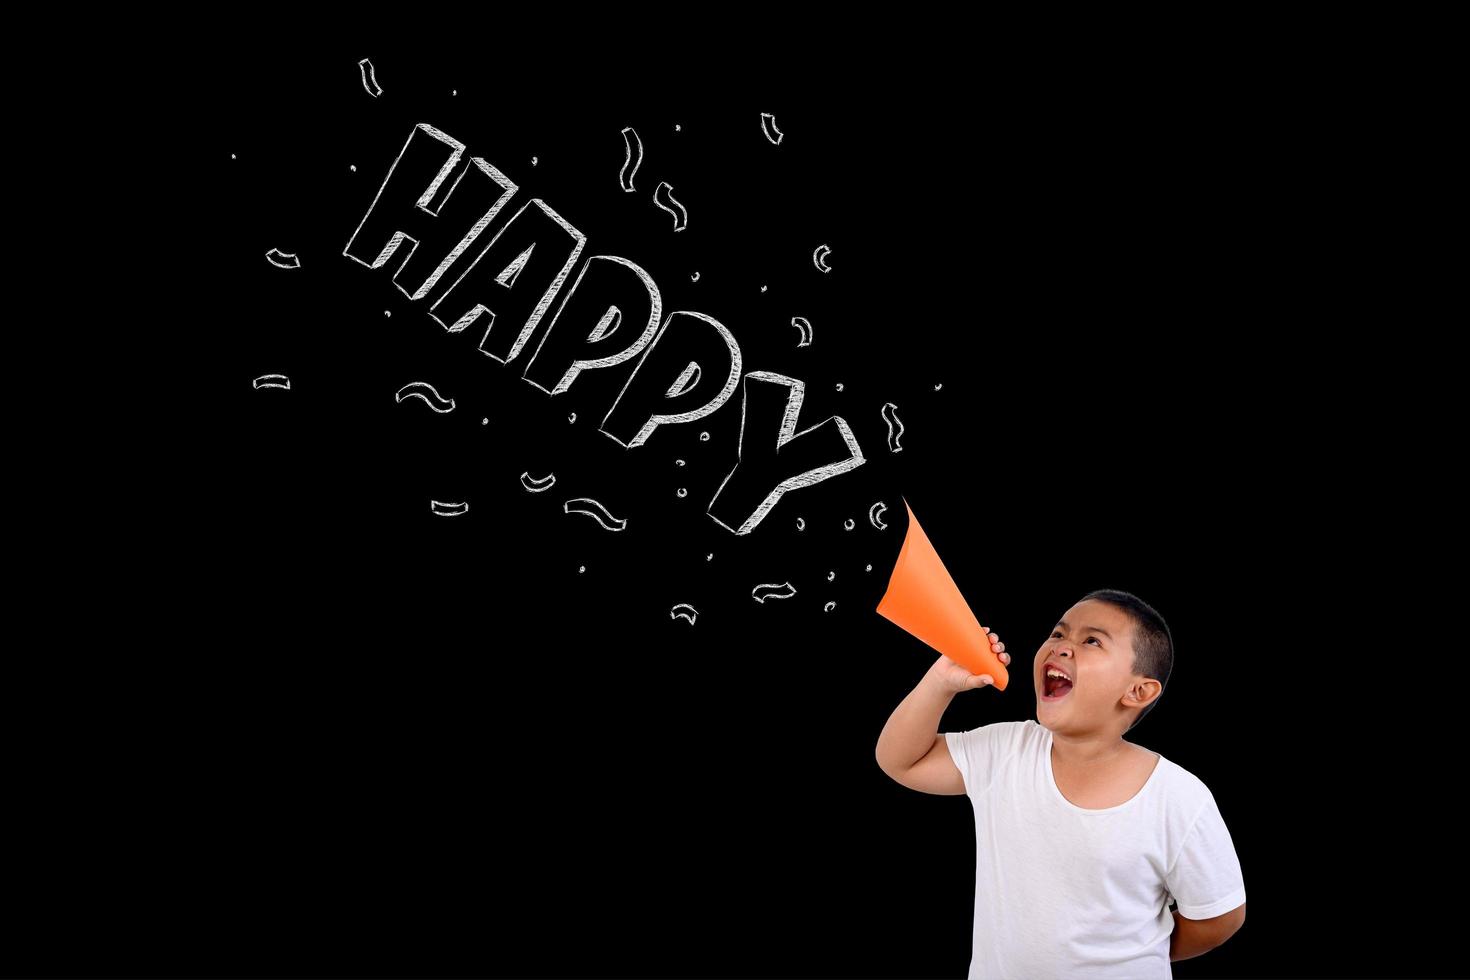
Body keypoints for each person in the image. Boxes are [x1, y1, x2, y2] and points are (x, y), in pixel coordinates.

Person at [874, 589, 1246, 979]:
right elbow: (902, 761)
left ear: (1138, 691)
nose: (1062, 647)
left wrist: (1140, 952)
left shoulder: (1178, 798)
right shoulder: (1005, 751)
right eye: (1058, 634)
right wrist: (941, 681)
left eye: (1092, 641)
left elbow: (1219, 917)